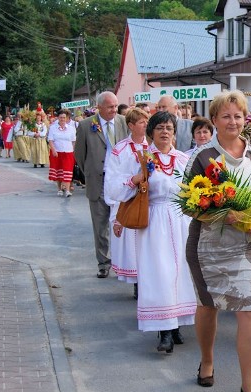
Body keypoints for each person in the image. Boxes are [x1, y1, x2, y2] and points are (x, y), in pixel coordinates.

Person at [185, 90, 251, 392]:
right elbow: (190, 204)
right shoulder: (202, 156)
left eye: (238, 115)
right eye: (226, 116)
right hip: (209, 245)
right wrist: (229, 215)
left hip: (249, 245)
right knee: (209, 306)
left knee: (250, 311)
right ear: (214, 120)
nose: (233, 121)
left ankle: (248, 386)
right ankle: (207, 360)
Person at [106, 111, 196, 353]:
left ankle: (176, 323)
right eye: (159, 128)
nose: (165, 132)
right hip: (153, 220)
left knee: (180, 271)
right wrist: (137, 177)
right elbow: (114, 188)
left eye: (169, 127)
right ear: (151, 133)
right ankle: (163, 330)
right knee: (159, 273)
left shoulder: (183, 160)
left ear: (175, 133)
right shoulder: (142, 158)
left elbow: (194, 191)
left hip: (180, 220)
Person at [74, 91, 129, 279]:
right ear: (99, 108)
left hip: (121, 181)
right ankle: (104, 263)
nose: (114, 110)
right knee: (100, 226)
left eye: (115, 106)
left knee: (122, 222)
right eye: (110, 107)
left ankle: (123, 263)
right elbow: (80, 156)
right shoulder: (86, 126)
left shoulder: (124, 122)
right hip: (98, 180)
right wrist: (91, 172)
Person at [106, 108, 150, 300]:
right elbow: (112, 182)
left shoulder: (155, 146)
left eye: (147, 121)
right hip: (131, 202)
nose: (145, 125)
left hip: (151, 203)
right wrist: (133, 180)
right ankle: (139, 284)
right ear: (131, 126)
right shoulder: (120, 149)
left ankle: (150, 280)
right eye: (141, 122)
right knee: (134, 246)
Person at [48, 110, 77, 197]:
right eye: (61, 117)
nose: (62, 119)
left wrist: (73, 151)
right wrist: (53, 150)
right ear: (58, 118)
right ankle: (59, 189)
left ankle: (67, 190)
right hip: (57, 152)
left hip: (68, 152)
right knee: (59, 171)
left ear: (67, 118)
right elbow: (50, 140)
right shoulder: (53, 128)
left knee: (68, 170)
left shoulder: (71, 128)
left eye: (64, 117)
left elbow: (74, 141)